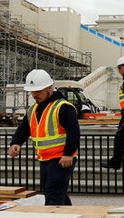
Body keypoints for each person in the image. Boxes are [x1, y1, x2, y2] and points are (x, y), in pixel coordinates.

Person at [8, 69, 79, 205]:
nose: (34, 95)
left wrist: (68, 154)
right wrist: (16, 142)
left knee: (53, 194)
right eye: (32, 92)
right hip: (45, 158)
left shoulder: (63, 107)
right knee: (55, 191)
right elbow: (24, 128)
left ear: (48, 88)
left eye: (38, 91)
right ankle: (69, 215)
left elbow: (73, 132)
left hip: (61, 158)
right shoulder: (34, 109)